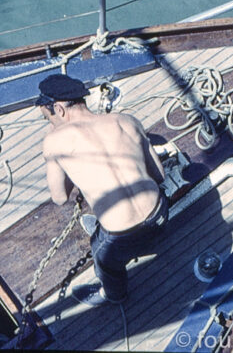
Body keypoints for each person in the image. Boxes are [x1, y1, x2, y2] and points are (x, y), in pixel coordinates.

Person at [36, 73, 168, 306]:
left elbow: (59, 197)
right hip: (160, 213)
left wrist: (55, 143)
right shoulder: (126, 120)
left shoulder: (54, 141)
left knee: (103, 259)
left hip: (120, 237)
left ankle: (114, 295)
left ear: (59, 109)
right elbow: (159, 175)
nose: (50, 124)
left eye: (48, 118)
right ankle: (118, 230)